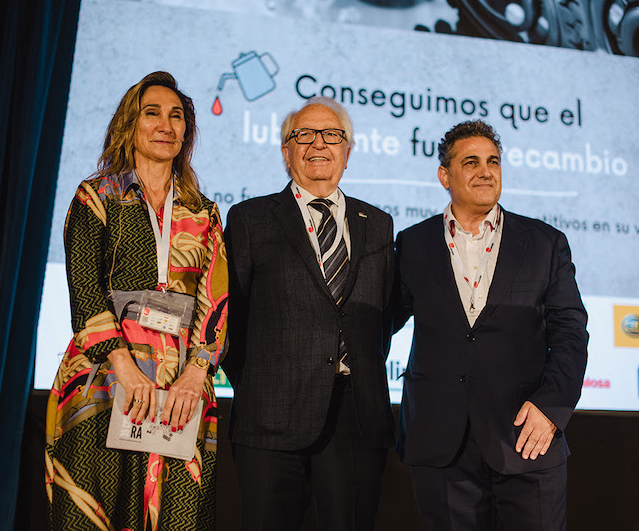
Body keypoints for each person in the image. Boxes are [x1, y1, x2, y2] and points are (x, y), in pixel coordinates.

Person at [44, 71, 228, 531]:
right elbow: (84, 291)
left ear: (187, 132)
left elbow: (216, 299)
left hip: (183, 385)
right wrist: (124, 367)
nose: (166, 125)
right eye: (153, 113)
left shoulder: (202, 210)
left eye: (177, 116)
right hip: (105, 375)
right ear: (131, 123)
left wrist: (196, 373)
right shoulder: (97, 196)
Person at [393, 119, 588, 530]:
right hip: (440, 442)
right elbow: (379, 322)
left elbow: (571, 333)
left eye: (493, 161)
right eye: (471, 162)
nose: (486, 170)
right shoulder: (412, 243)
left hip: (526, 436)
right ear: (445, 175)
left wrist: (551, 407)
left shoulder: (544, 242)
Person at [222, 96, 395, 531]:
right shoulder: (250, 219)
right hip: (270, 418)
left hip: (357, 417)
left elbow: (384, 314)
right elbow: (229, 317)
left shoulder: (378, 223)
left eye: (332, 135)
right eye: (304, 135)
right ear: (286, 150)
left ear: (347, 151)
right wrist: (263, 382)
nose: (319, 144)